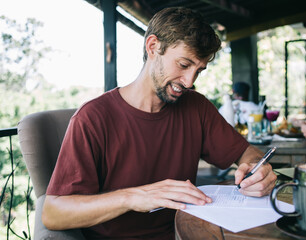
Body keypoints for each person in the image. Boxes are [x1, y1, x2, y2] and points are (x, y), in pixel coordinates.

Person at [42, 7, 277, 239]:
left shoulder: (196, 107)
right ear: (153, 46)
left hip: (182, 233)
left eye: (199, 71)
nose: (189, 81)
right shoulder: (93, 118)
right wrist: (132, 197)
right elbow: (53, 213)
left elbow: (246, 153)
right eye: (184, 65)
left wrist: (258, 169)